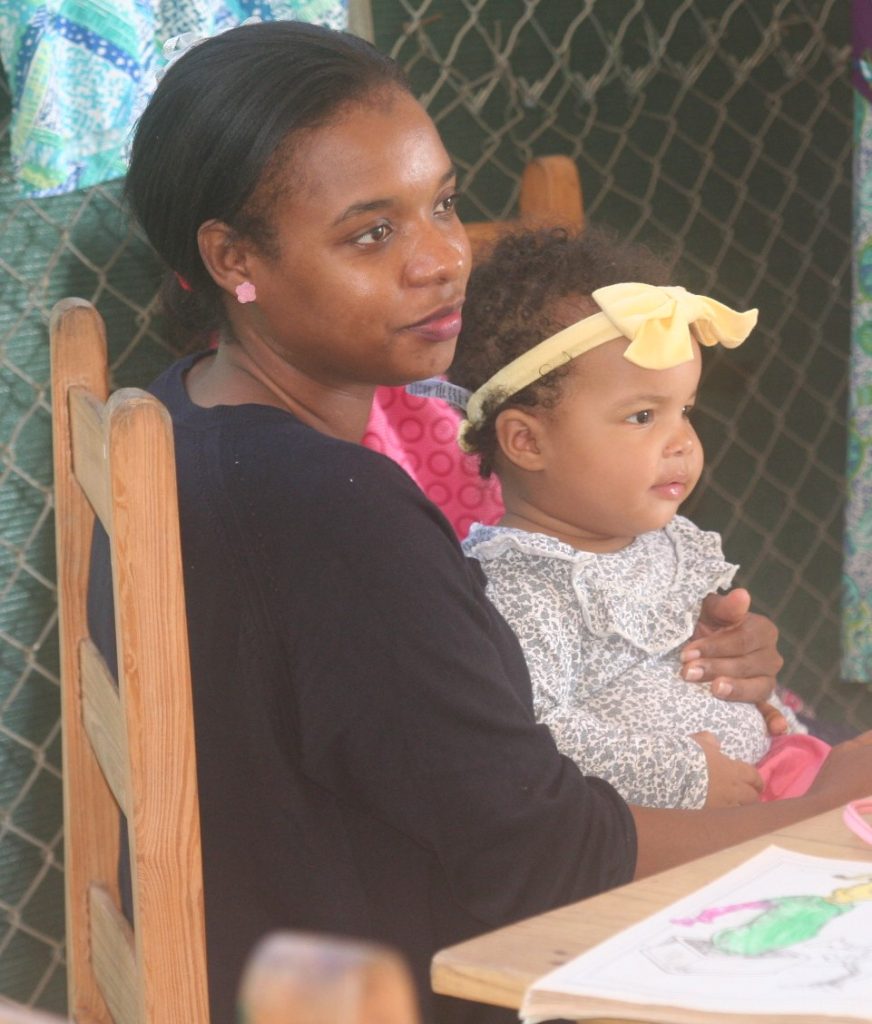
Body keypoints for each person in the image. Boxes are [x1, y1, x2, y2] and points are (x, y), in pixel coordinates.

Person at [85, 20, 872, 1024]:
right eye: (372, 234)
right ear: (235, 258)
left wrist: (676, 662)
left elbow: (438, 735)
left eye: (444, 204)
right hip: (412, 987)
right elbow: (542, 859)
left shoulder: (186, 411)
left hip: (286, 955)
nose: (443, 259)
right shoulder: (333, 510)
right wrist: (822, 813)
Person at [446, 228, 830, 810]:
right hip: (671, 834)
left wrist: (773, 717)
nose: (682, 442)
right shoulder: (521, 586)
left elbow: (717, 674)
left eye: (686, 410)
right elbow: (534, 737)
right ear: (527, 441)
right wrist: (687, 778)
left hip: (768, 779)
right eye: (643, 416)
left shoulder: (668, 545)